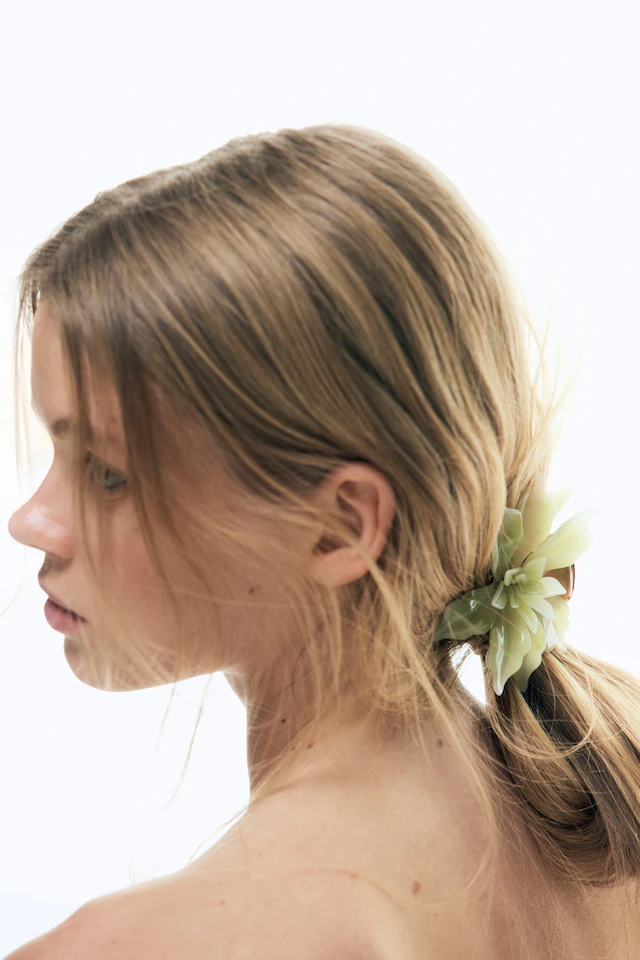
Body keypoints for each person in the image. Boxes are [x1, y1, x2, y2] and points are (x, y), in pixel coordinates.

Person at [5, 123, 640, 959]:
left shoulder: (135, 948)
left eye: (108, 473)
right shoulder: (606, 809)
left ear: (342, 526)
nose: (32, 520)